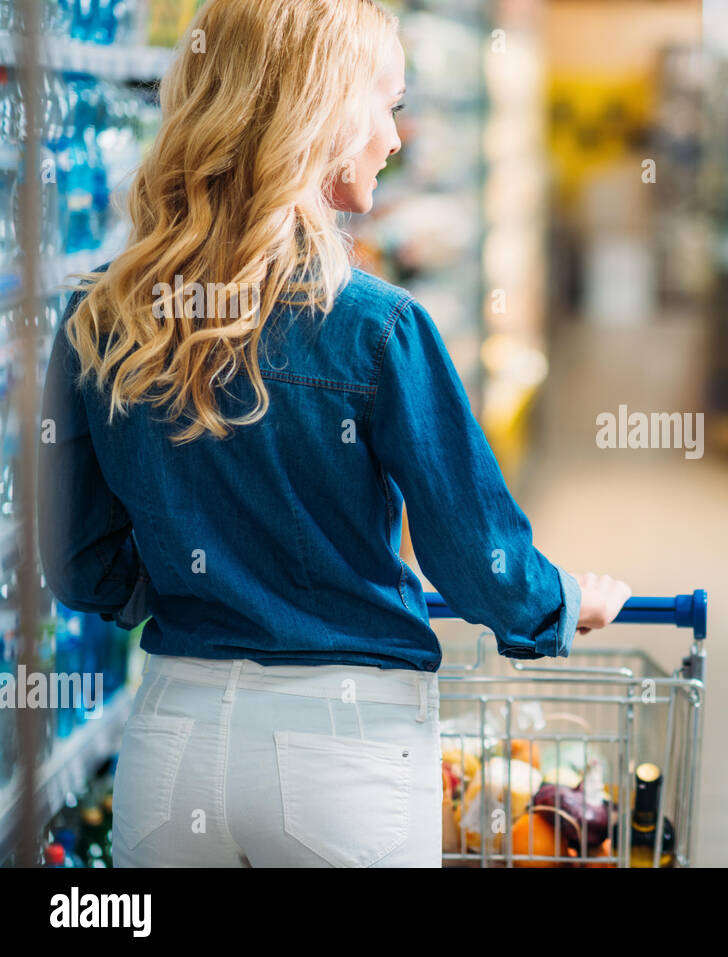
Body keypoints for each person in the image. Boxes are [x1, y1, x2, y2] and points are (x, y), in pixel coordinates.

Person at [37, 0, 630, 867]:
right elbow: (478, 564)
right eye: (387, 106)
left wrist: (197, 586)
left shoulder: (102, 317)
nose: (397, 137)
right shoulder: (379, 329)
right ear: (318, 116)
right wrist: (568, 603)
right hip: (343, 757)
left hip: (171, 750)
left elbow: (82, 561)